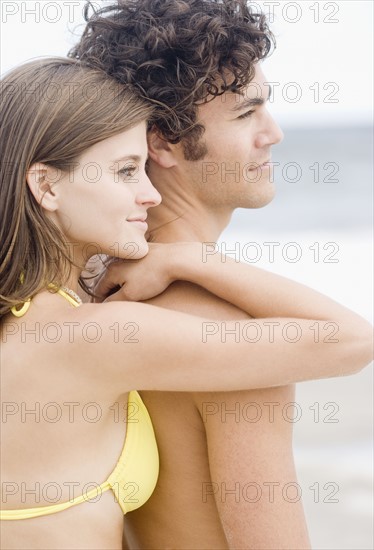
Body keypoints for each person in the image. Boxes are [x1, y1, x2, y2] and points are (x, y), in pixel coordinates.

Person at [1, 57, 371, 550]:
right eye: (126, 170)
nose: (149, 194)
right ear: (46, 186)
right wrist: (193, 260)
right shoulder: (99, 332)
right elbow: (351, 339)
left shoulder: (50, 307)